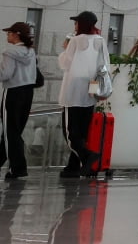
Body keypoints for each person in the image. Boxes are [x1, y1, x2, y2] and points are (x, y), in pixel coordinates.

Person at [0, 21, 37, 179]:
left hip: (13, 93)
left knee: (9, 132)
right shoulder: (30, 52)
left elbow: (4, 75)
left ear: (16, 34)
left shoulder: (10, 52)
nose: (7, 35)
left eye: (9, 33)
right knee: (15, 131)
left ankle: (18, 168)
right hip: (28, 93)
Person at [56, 11, 106, 178]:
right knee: (82, 132)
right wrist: (93, 91)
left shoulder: (75, 41)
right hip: (89, 92)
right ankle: (73, 166)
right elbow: (102, 67)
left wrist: (64, 50)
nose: (75, 26)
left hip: (72, 91)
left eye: (76, 23)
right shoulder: (100, 41)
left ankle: (87, 157)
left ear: (81, 24)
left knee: (70, 133)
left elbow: (65, 64)